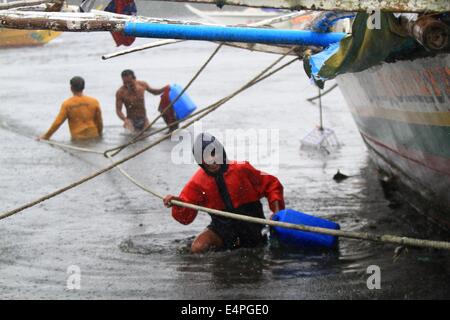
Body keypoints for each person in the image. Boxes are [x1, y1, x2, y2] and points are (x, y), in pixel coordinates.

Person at [163, 133, 285, 254]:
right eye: (205, 158)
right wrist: (178, 204)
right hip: (222, 228)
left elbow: (272, 184)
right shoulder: (197, 183)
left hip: (252, 226)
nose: (212, 161)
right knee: (197, 247)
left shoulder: (242, 169)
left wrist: (277, 213)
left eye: (213, 153)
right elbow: (185, 219)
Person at [39, 76, 103, 141]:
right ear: (83, 87)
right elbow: (99, 121)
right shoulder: (94, 102)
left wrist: (46, 136)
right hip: (94, 136)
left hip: (78, 138)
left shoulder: (67, 104)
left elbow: (58, 123)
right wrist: (100, 134)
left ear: (71, 88)